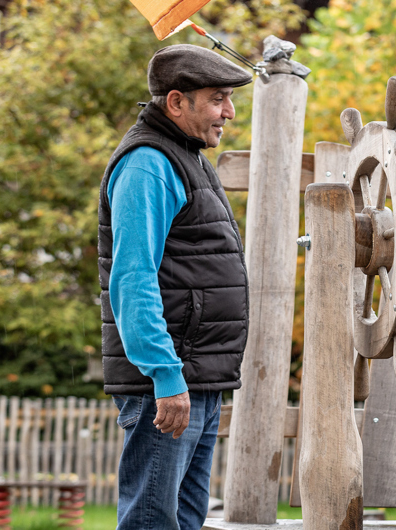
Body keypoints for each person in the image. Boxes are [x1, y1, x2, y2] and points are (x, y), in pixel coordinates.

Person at [97, 44, 252, 530]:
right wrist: (165, 375)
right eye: (218, 98)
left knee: (183, 522)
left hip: (197, 378)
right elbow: (133, 277)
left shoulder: (187, 155)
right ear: (176, 102)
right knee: (152, 521)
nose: (228, 111)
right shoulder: (148, 163)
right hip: (168, 381)